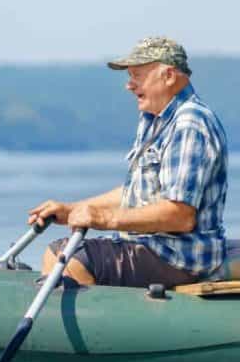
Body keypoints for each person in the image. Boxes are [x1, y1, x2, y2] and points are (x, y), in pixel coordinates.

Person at [30, 36, 229, 287]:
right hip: (154, 248)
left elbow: (180, 215)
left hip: (179, 256)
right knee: (58, 252)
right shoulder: (155, 119)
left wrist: (103, 219)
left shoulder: (189, 123)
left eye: (137, 76)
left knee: (70, 260)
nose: (129, 85)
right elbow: (135, 194)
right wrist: (72, 209)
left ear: (168, 76)